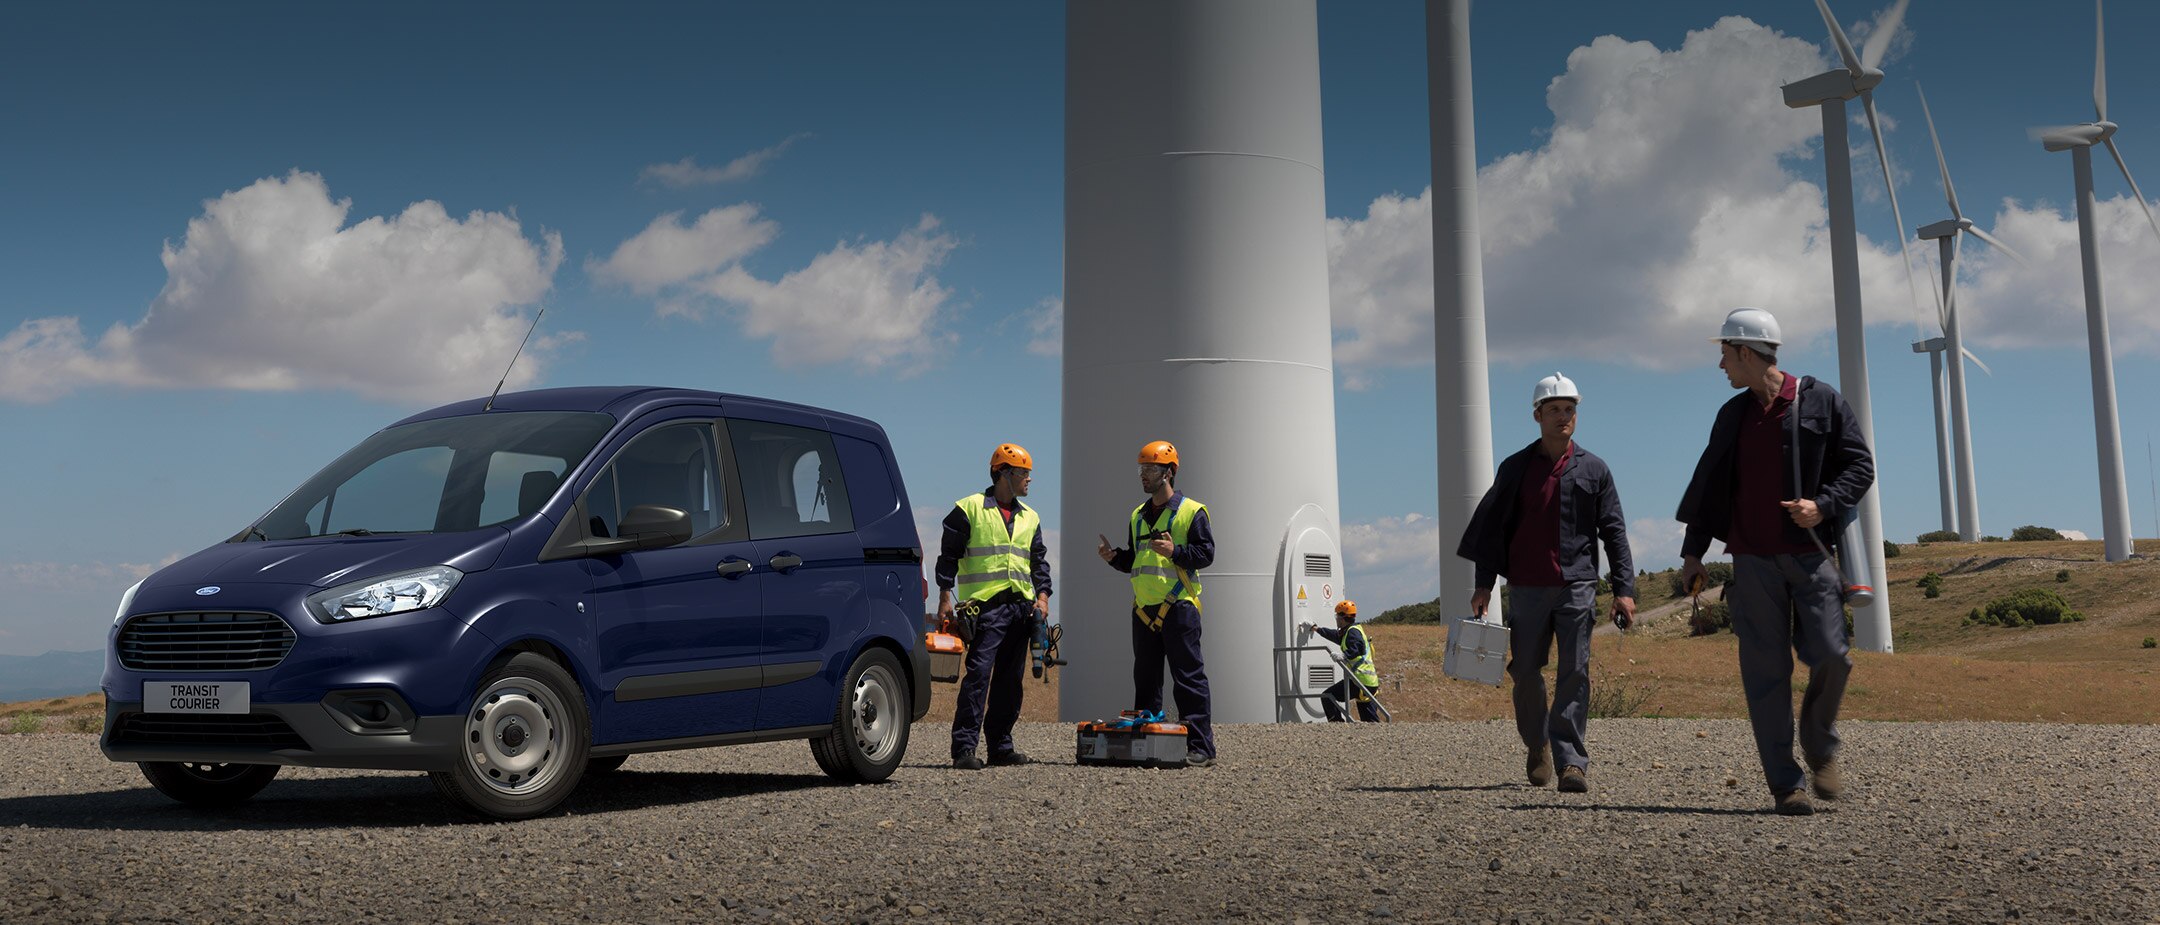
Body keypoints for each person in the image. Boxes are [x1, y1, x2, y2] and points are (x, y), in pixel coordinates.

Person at [1676, 308, 1874, 816]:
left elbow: (1860, 465)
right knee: (1766, 674)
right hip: (1752, 562)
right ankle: (1786, 785)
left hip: (1812, 557)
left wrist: (1822, 505)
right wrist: (1693, 552)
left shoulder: (1821, 399)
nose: (1721, 365)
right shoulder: (1732, 415)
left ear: (1747, 353)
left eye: (1725, 354)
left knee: (1833, 655)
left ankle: (1819, 742)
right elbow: (1709, 485)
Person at [1455, 372, 1635, 794]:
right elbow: (1492, 529)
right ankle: (1536, 743)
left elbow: (1615, 532)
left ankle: (1571, 761)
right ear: (1537, 416)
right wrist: (1484, 584)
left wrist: (1623, 590)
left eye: (1569, 409)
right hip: (1528, 587)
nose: (1563, 417)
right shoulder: (1515, 468)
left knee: (1575, 671)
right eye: (1554, 410)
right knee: (1526, 671)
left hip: (1578, 585)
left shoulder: (1595, 469)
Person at [1096, 440, 1217, 767]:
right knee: (1146, 680)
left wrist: (1176, 552)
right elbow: (1136, 560)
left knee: (1188, 679)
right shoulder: (1137, 516)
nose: (1143, 475)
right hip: (1143, 610)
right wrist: (1114, 558)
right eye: (1141, 469)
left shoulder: (1192, 512)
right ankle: (1147, 743)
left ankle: (1201, 747)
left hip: (1179, 608)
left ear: (1169, 472)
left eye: (1150, 469)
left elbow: (1206, 555)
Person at [936, 443, 1053, 770]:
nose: (1029, 479)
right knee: (978, 677)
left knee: (1010, 682)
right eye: (1023, 473)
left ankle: (1000, 747)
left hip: (1022, 611)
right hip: (985, 610)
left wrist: (1042, 598)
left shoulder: (1031, 517)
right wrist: (945, 598)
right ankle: (964, 750)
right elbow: (948, 556)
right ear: (1003, 473)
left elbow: (1038, 564)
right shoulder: (969, 508)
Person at [1300, 600, 1380, 722]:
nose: (1336, 618)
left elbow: (1358, 648)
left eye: (1337, 615)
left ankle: (1338, 726)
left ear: (1342, 617)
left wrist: (1344, 656)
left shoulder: (1352, 632)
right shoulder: (1350, 630)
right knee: (1370, 722)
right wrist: (1315, 629)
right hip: (1368, 683)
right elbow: (1335, 635)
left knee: (1328, 696)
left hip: (1359, 682)